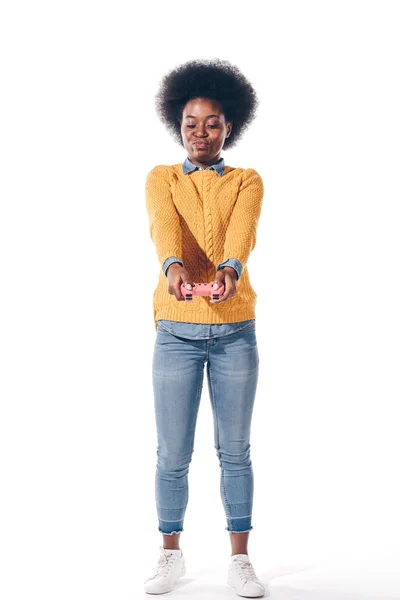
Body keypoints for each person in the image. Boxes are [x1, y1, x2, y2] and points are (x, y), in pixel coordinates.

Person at [144, 58, 267, 598]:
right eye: (191, 122)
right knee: (172, 453)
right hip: (176, 332)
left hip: (235, 331)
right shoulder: (162, 178)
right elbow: (164, 229)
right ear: (179, 124)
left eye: (212, 123)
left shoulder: (246, 180)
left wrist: (228, 272)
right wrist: (173, 269)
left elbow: (241, 233)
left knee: (234, 449)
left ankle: (240, 559)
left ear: (229, 127)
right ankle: (169, 552)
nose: (201, 132)